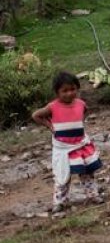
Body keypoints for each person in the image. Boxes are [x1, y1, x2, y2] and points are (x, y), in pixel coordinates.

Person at [32, 72, 103, 214]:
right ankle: (59, 202)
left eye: (72, 89)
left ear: (77, 89)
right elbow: (36, 115)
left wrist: (77, 124)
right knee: (63, 176)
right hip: (64, 148)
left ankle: (93, 195)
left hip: (80, 145)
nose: (69, 93)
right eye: (64, 91)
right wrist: (49, 125)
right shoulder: (53, 107)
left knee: (87, 173)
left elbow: (84, 111)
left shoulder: (81, 104)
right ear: (57, 92)